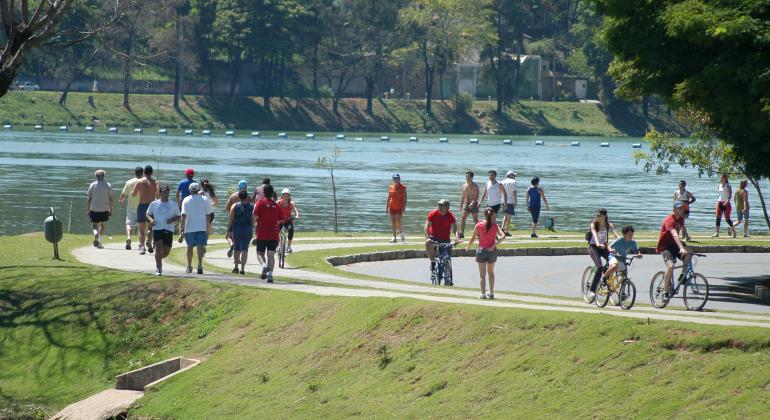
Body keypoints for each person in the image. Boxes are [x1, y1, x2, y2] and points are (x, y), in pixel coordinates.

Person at [466, 208, 505, 299]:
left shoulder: (479, 225)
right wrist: (494, 245)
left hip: (481, 251)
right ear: (492, 215)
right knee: (491, 273)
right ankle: (491, 293)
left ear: (484, 214)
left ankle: (483, 294)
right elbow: (503, 236)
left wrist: (468, 246)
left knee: (482, 275)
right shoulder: (495, 226)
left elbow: (472, 238)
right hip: (492, 251)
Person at [656, 201, 691, 301]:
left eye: (682, 208)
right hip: (665, 247)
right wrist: (681, 247)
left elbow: (681, 230)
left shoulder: (681, 219)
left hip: (674, 245)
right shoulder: (669, 220)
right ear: (674, 209)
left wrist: (685, 240)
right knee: (671, 266)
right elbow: (675, 234)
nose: (682, 210)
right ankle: (665, 291)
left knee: (689, 253)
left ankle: (682, 276)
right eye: (680, 208)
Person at [145, 185, 180, 275]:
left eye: (167, 192)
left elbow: (179, 217)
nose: (166, 194)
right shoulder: (154, 203)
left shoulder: (173, 204)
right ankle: (159, 268)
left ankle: (158, 257)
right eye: (164, 192)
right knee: (159, 248)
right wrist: (151, 220)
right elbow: (147, 214)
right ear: (160, 193)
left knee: (166, 251)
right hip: (157, 228)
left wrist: (172, 220)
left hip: (169, 229)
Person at [180, 182, 213, 274]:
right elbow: (208, 215)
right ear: (198, 190)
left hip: (189, 227)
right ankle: (199, 266)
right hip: (201, 227)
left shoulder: (186, 200)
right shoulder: (205, 199)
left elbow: (183, 215)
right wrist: (207, 227)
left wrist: (181, 228)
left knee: (189, 247)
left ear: (190, 190)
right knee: (200, 246)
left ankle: (189, 266)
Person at [424, 199, 458, 285]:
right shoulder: (433, 213)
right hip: (433, 237)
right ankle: (432, 261)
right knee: (428, 244)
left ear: (447, 207)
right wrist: (427, 237)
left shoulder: (451, 216)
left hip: (445, 238)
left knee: (446, 257)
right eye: (439, 205)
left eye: (442, 206)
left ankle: (448, 278)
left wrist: (457, 238)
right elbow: (427, 225)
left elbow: (455, 228)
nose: (439, 207)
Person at [252, 184, 282, 282]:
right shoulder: (276, 205)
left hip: (262, 233)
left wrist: (254, 225)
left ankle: (264, 266)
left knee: (259, 253)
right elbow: (280, 219)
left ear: (264, 193)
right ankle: (270, 275)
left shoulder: (260, 203)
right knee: (271, 255)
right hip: (273, 235)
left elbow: (254, 218)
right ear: (272, 193)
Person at [587, 208, 619, 293]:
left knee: (613, 264)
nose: (597, 217)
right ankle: (592, 291)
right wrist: (598, 244)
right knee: (600, 267)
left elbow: (616, 236)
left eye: (599, 215)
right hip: (593, 247)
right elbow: (594, 234)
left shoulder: (609, 225)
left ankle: (603, 278)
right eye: (596, 215)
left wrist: (620, 243)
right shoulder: (593, 224)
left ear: (605, 216)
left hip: (604, 247)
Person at [131, 165, 159, 255]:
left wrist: (132, 191)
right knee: (150, 228)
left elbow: (133, 194)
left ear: (144, 172)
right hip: (151, 206)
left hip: (142, 206)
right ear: (152, 172)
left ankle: (142, 247)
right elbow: (158, 196)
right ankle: (149, 242)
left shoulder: (139, 182)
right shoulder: (155, 182)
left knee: (141, 229)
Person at [226, 190, 254, 274]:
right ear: (247, 197)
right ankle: (242, 269)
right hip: (248, 229)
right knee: (245, 249)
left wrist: (228, 231)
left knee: (237, 249)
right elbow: (253, 219)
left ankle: (236, 267)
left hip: (237, 229)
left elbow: (230, 220)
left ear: (239, 197)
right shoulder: (252, 206)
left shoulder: (235, 206)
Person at [86, 169, 113, 249]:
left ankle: (95, 234)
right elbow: (111, 199)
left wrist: (88, 209)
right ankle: (100, 242)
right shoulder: (108, 185)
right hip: (104, 209)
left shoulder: (92, 185)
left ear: (96, 176)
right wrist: (111, 209)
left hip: (94, 208)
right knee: (103, 225)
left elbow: (89, 198)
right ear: (104, 176)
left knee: (94, 225)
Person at [119, 166, 143, 250]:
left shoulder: (129, 182)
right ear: (142, 173)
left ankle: (129, 237)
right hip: (141, 207)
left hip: (131, 207)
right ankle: (141, 243)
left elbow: (123, 194)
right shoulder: (144, 182)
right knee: (141, 225)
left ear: (135, 172)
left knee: (129, 224)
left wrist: (121, 200)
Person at [225, 180, 250, 257]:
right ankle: (239, 256)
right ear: (246, 187)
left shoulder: (233, 196)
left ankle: (232, 244)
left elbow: (227, 208)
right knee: (241, 239)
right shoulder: (248, 197)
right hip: (244, 221)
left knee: (229, 236)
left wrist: (231, 213)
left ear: (238, 187)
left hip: (233, 219)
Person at [277, 188, 301, 253]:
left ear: (289, 196)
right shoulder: (278, 202)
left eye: (287, 195)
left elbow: (295, 210)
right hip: (279, 220)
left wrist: (297, 215)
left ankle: (289, 246)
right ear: (282, 196)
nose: (286, 197)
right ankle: (279, 246)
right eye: (284, 195)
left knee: (291, 230)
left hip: (288, 220)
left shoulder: (291, 203)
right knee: (277, 232)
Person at [458, 171, 480, 239]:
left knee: (475, 220)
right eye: (466, 176)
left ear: (472, 177)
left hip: (474, 204)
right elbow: (463, 196)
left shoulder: (475, 186)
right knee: (463, 217)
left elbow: (476, 196)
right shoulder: (464, 185)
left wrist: (473, 203)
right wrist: (461, 205)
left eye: (468, 176)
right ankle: (461, 233)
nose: (467, 178)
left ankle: (479, 234)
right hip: (466, 203)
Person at [386, 173, 407, 243]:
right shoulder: (391, 187)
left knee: (398, 222)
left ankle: (401, 233)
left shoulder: (403, 187)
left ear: (399, 179)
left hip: (399, 207)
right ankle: (394, 237)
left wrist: (404, 207)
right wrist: (386, 208)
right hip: (391, 207)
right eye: (394, 178)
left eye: (397, 178)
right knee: (393, 222)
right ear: (393, 179)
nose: (396, 180)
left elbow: (405, 198)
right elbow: (389, 198)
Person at [500, 170, 518, 236]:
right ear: (510, 175)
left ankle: (502, 228)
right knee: (509, 217)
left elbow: (500, 191)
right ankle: (506, 231)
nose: (514, 176)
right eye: (513, 175)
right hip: (510, 201)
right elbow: (514, 192)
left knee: (505, 215)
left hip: (503, 201)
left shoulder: (502, 181)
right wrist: (516, 201)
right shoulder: (513, 182)